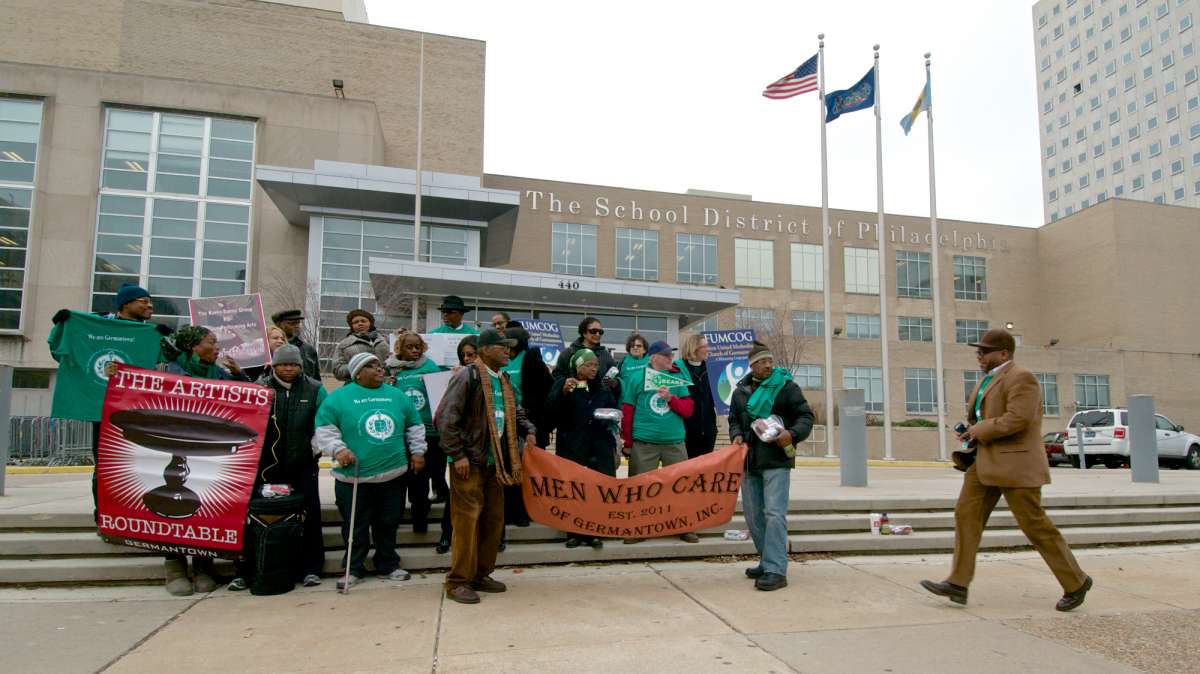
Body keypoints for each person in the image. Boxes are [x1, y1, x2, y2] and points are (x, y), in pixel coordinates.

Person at [921, 328, 1093, 611]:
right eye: (978, 351)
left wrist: (980, 429)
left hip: (1016, 464)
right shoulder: (987, 380)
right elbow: (987, 417)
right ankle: (958, 583)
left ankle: (1076, 582)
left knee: (1034, 525)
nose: (979, 356)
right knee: (966, 515)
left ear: (1003, 353)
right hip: (983, 461)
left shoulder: (1021, 377)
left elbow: (1018, 419)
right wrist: (970, 432)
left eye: (984, 352)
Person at [49, 282, 168, 523]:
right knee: (105, 463)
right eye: (143, 301)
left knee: (136, 465)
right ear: (126, 304)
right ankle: (103, 513)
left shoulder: (149, 333)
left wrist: (169, 341)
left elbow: (173, 361)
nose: (150, 305)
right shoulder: (96, 323)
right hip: (104, 408)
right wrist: (61, 325)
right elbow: (58, 346)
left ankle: (131, 513)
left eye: (149, 301)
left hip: (138, 412)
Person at [435, 328, 536, 605]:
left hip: (497, 465)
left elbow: (516, 411)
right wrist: (458, 456)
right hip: (470, 463)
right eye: (502, 346)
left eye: (510, 347)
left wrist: (528, 429)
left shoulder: (503, 380)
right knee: (467, 522)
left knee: (493, 521)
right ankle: (458, 581)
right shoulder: (467, 376)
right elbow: (445, 418)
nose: (508, 351)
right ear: (485, 349)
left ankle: (481, 574)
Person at [316, 352, 426, 590]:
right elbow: (325, 429)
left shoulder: (396, 395)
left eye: (379, 365)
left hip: (392, 474)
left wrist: (418, 452)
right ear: (358, 373)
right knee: (355, 524)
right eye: (371, 366)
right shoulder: (339, 398)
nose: (379, 369)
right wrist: (338, 449)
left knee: (388, 522)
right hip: (353, 477)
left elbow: (415, 425)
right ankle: (353, 568)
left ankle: (388, 564)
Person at [159, 324, 251, 596]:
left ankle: (203, 565)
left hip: (208, 450)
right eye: (212, 342)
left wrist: (240, 375)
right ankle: (174, 566)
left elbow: (251, 402)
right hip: (174, 449)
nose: (217, 347)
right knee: (172, 505)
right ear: (193, 347)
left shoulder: (220, 374)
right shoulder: (165, 370)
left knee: (203, 505)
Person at [229, 345, 327, 591]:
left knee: (310, 516)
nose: (288, 369)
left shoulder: (315, 389)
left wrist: (313, 450)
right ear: (274, 366)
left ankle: (311, 569)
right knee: (254, 518)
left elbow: (323, 422)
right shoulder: (261, 387)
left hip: (302, 465)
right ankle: (247, 570)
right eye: (283, 364)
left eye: (293, 364)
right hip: (266, 467)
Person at [728, 341, 814, 592]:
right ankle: (766, 560)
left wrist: (792, 433)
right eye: (762, 361)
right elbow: (734, 418)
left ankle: (777, 569)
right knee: (754, 515)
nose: (768, 365)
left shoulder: (786, 387)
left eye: (770, 361)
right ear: (752, 365)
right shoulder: (741, 390)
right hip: (749, 459)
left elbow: (806, 416)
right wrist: (736, 434)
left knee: (774, 514)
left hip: (776, 459)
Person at [620, 340, 696, 544]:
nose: (671, 358)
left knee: (681, 486)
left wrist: (671, 398)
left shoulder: (678, 376)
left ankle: (684, 526)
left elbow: (688, 410)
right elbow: (627, 412)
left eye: (671, 355)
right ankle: (637, 528)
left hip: (674, 442)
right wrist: (627, 442)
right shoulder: (637, 377)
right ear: (654, 357)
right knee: (640, 488)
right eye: (666, 355)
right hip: (644, 442)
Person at [546, 348, 618, 549]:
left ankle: (595, 533)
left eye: (595, 365)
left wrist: (609, 415)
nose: (594, 368)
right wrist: (562, 393)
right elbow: (551, 411)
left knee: (595, 492)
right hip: (573, 448)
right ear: (578, 367)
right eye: (589, 365)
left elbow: (614, 408)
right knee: (574, 492)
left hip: (598, 447)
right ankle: (574, 533)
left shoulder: (601, 388)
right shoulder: (565, 385)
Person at [384, 332, 446, 532]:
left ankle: (420, 521)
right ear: (399, 348)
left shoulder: (430, 367)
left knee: (422, 478)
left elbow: (440, 396)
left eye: (417, 346)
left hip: (428, 432)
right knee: (402, 478)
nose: (414, 350)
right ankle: (396, 518)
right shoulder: (391, 369)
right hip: (400, 433)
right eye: (409, 347)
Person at [501, 322, 554, 527]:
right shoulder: (504, 362)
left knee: (527, 470)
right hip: (506, 423)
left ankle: (525, 511)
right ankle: (509, 510)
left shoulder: (531, 360)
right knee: (509, 469)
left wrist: (538, 422)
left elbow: (546, 390)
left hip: (528, 423)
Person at [435, 335, 480, 555]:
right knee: (456, 499)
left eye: (471, 354)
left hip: (482, 451)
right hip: (461, 450)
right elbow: (445, 417)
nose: (467, 358)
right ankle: (446, 535)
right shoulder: (459, 377)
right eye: (464, 355)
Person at [553, 316, 619, 392]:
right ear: (584, 333)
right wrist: (567, 383)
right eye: (593, 331)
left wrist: (615, 383)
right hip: (573, 400)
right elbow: (557, 376)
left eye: (600, 332)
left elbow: (616, 377)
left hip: (598, 401)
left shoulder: (605, 355)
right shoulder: (569, 352)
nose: (598, 334)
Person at [679, 333, 718, 459]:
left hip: (708, 431)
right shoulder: (678, 368)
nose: (708, 349)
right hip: (686, 431)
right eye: (704, 346)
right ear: (694, 348)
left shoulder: (712, 368)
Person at [333, 309, 391, 383]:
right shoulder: (344, 345)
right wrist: (360, 366)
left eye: (363, 321)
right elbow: (337, 371)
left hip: (386, 385)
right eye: (355, 322)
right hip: (357, 387)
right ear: (352, 326)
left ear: (370, 323)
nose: (360, 324)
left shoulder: (385, 340)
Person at [271, 309, 320, 380]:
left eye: (298, 323)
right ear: (279, 325)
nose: (296, 326)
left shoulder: (309, 350)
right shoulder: (268, 349)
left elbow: (316, 379)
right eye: (291, 323)